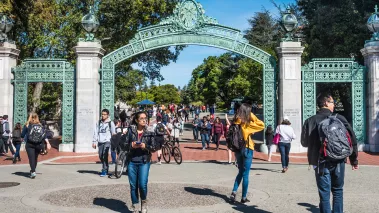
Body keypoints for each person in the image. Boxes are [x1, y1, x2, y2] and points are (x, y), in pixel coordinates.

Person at [301, 93, 358, 213]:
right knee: (337, 190)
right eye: (332, 102)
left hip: (319, 161)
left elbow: (304, 143)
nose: (334, 105)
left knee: (324, 194)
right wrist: (354, 159)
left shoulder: (310, 121)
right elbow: (351, 139)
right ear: (326, 103)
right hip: (339, 160)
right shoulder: (339, 118)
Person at [229, 103, 265, 204]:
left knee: (240, 172)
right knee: (246, 174)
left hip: (237, 150)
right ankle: (244, 197)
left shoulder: (235, 122)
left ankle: (234, 192)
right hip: (247, 148)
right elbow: (262, 125)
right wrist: (251, 115)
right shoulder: (247, 125)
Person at [124, 111, 156, 213]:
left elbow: (154, 147)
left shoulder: (150, 131)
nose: (144, 120)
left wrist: (145, 146)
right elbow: (123, 145)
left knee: (142, 184)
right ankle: (135, 204)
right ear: (137, 120)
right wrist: (131, 146)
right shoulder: (131, 130)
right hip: (132, 161)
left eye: (145, 118)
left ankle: (144, 201)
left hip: (144, 161)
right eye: (141, 118)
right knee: (133, 185)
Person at [21, 113, 51, 178]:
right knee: (35, 158)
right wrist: (48, 143)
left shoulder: (27, 125)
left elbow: (22, 135)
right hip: (38, 144)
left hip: (29, 144)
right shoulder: (40, 125)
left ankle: (33, 171)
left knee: (31, 158)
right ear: (37, 117)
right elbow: (44, 135)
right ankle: (33, 170)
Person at [92, 109, 116, 177]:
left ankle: (104, 169)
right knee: (100, 155)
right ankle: (106, 166)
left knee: (104, 155)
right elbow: (95, 132)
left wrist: (114, 140)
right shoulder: (99, 122)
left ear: (108, 115)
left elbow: (113, 133)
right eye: (102, 114)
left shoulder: (110, 123)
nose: (103, 115)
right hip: (100, 141)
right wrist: (94, 141)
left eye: (104, 114)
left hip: (107, 141)